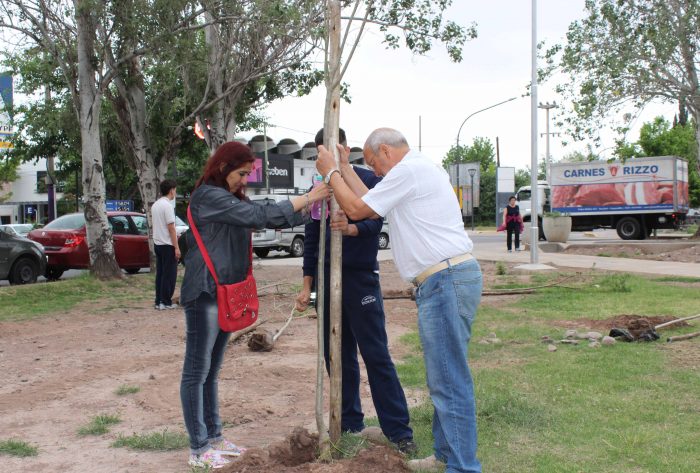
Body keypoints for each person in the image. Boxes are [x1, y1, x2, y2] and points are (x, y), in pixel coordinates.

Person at [315, 128, 483, 473]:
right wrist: (346, 168)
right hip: (444, 280)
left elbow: (359, 209)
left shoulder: (408, 170)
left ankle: (463, 467)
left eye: (375, 164)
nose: (375, 173)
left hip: (445, 280)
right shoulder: (417, 169)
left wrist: (331, 171)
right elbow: (373, 205)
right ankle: (445, 457)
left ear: (387, 151)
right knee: (443, 378)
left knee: (450, 381)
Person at [179, 141, 328, 470]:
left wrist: (311, 207)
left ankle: (214, 438)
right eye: (242, 173)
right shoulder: (208, 196)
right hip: (205, 292)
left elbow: (267, 215)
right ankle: (199, 448)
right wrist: (309, 198)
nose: (245, 180)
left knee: (211, 372)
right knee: (197, 373)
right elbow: (259, 214)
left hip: (223, 292)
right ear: (223, 168)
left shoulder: (228, 199)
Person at [295, 128, 415, 453]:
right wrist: (308, 285)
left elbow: (376, 222)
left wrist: (352, 228)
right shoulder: (317, 190)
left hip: (361, 279)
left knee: (375, 353)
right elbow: (311, 242)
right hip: (326, 280)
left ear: (344, 148)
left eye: (331, 150)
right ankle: (349, 422)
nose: (326, 157)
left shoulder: (365, 179)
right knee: (336, 354)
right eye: (321, 152)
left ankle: (399, 432)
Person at [151, 179, 181, 310]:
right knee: (169, 274)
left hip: (157, 243)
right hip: (167, 244)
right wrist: (177, 247)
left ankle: (159, 301)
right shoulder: (168, 206)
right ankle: (166, 301)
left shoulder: (155, 205)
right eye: (175, 189)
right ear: (171, 190)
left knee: (161, 273)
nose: (175, 192)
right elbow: (171, 228)